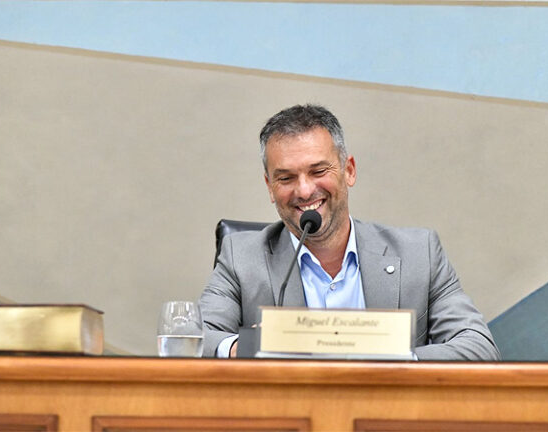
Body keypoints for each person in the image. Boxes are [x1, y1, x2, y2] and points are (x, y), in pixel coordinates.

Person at [199, 104, 500, 360]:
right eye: (286, 178)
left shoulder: (419, 254)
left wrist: (392, 360)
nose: (304, 190)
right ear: (269, 186)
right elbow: (194, 338)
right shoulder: (241, 257)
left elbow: (479, 347)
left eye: (318, 171)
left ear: (349, 171)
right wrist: (245, 348)